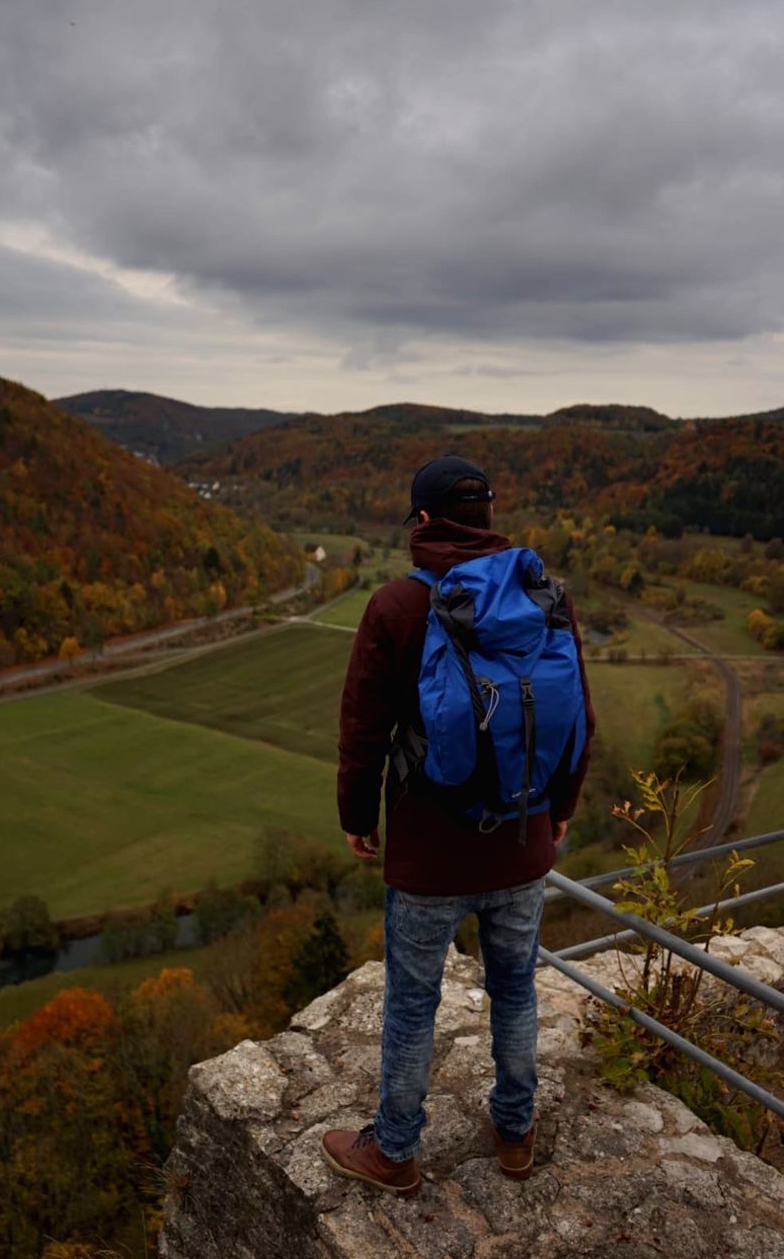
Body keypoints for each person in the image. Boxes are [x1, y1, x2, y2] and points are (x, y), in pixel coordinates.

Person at [321, 455, 595, 1196]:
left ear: (419, 522)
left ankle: (396, 1152)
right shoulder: (544, 593)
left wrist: (356, 817)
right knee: (515, 990)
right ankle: (514, 1133)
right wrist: (561, 806)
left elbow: (363, 730)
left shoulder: (397, 606)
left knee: (412, 1005)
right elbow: (576, 712)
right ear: (486, 518)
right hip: (522, 840)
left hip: (429, 854)